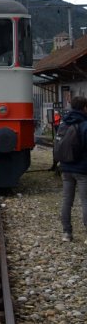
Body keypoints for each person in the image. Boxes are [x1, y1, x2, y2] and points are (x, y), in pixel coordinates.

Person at [59, 95, 87, 242]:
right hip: (82, 170)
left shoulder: (64, 123)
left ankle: (67, 233)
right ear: (84, 107)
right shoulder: (85, 124)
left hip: (66, 168)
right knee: (85, 201)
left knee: (66, 201)